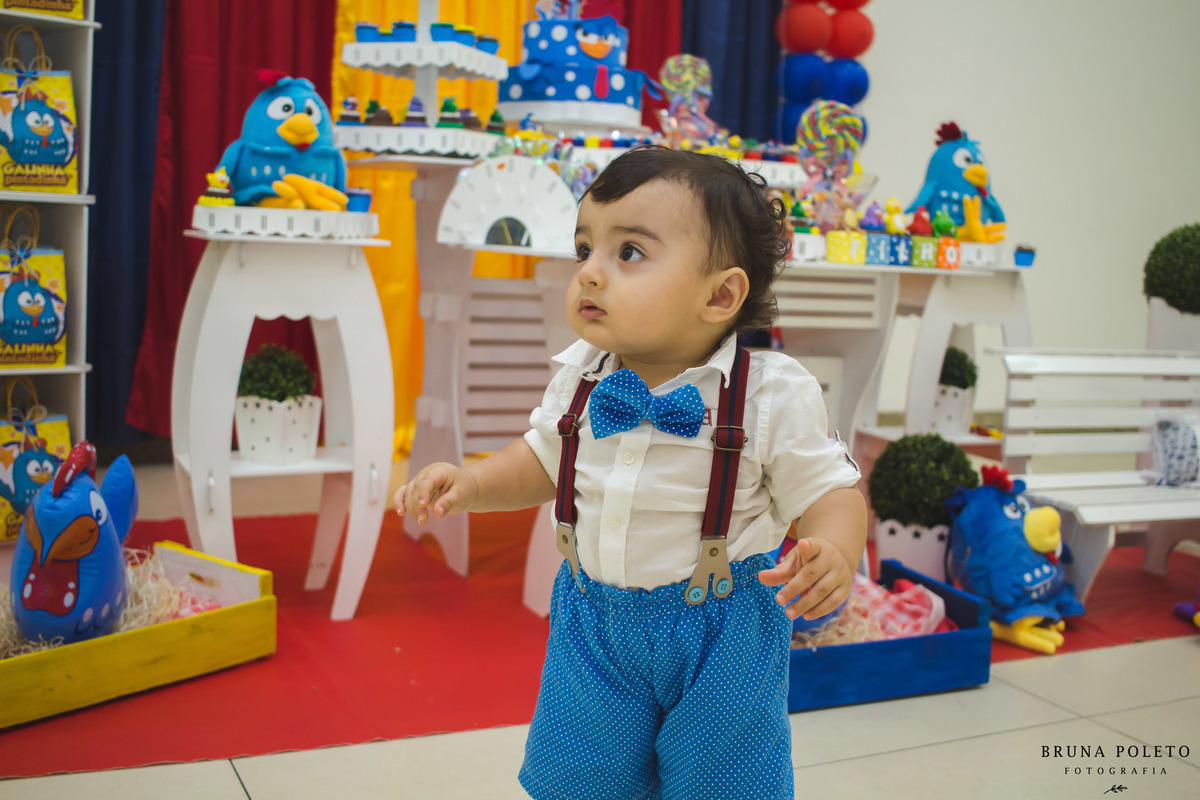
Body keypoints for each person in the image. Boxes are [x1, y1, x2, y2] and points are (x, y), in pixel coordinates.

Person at [396, 147, 866, 800]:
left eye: (629, 253)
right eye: (584, 248)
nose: (590, 272)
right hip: (593, 623)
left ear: (720, 294)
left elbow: (830, 489)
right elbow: (543, 459)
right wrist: (473, 484)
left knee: (723, 780)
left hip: (723, 633)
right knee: (583, 776)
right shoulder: (582, 377)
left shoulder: (770, 394)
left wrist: (836, 548)